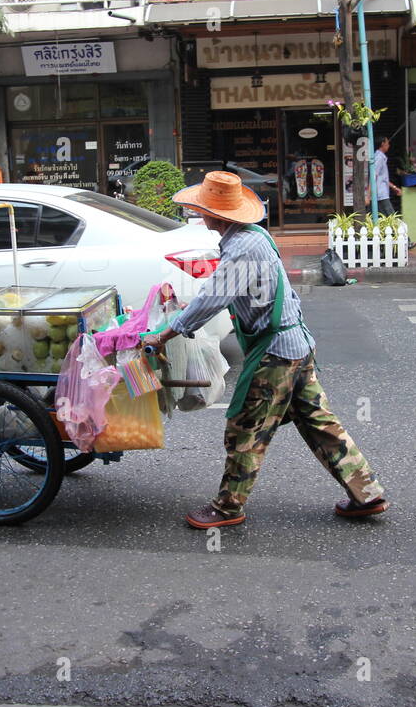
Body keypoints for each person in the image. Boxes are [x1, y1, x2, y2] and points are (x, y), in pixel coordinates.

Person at [147, 171, 388, 529]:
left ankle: (228, 507)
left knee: (245, 426)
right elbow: (231, 291)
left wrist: (166, 333)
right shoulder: (251, 236)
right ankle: (366, 493)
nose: (199, 215)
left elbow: (215, 297)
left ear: (217, 214)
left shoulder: (243, 246)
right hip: (296, 345)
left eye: (202, 209)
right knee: (318, 422)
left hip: (277, 353)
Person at [373, 136, 401, 215]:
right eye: (387, 143)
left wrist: (394, 188)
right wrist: (369, 194)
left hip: (381, 193)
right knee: (391, 217)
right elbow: (374, 176)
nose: (389, 145)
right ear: (382, 144)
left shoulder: (381, 157)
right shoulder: (379, 158)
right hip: (380, 193)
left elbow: (383, 178)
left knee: (382, 216)